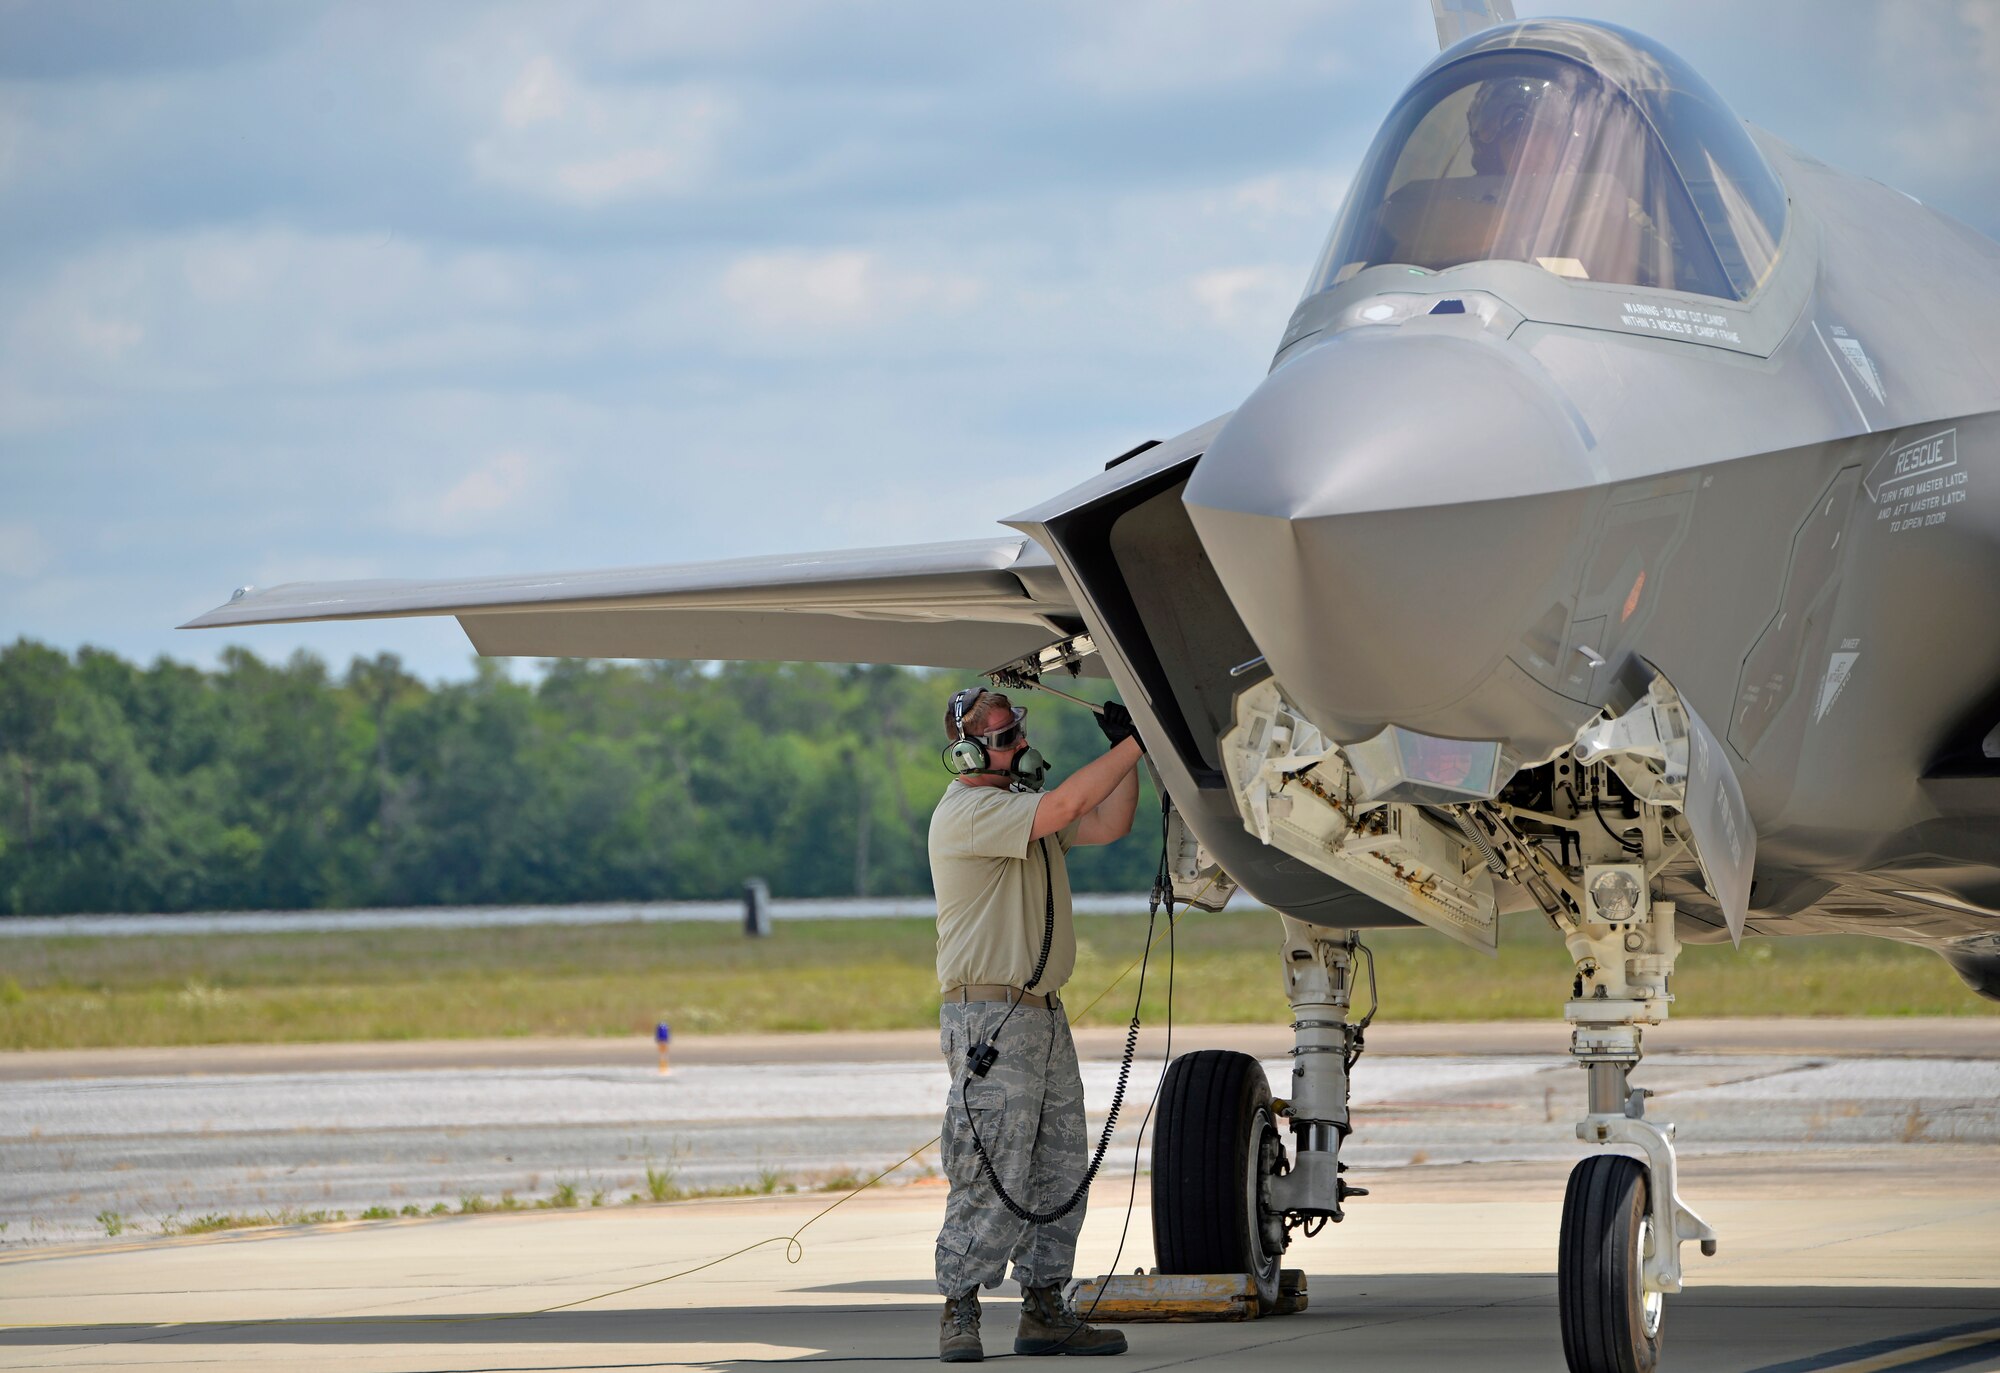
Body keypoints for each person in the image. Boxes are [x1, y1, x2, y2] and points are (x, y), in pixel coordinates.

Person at [930, 686, 1145, 1362]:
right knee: (992, 1165)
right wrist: (1145, 739)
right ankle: (960, 1303)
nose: (1019, 744)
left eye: (1017, 730)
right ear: (968, 752)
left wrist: (1123, 752)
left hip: (1043, 1016)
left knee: (1058, 1166)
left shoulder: (1022, 811)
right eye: (1003, 736)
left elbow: (1109, 821)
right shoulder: (972, 812)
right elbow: (1071, 804)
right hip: (989, 1017)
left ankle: (1046, 1304)